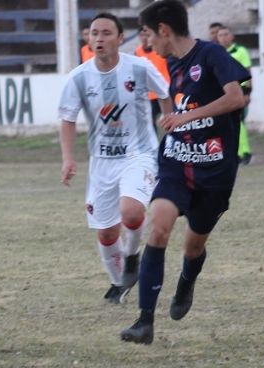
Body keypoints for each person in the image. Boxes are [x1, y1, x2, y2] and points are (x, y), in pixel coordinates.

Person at [120, 0, 250, 344]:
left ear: (164, 30)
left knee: (193, 247)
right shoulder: (172, 62)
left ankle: (187, 280)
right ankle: (144, 322)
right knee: (158, 229)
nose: (146, 42)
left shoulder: (211, 55)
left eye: (147, 33)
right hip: (177, 162)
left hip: (215, 170)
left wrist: (187, 117)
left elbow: (237, 98)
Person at [59, 12, 172, 305]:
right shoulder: (79, 77)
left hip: (139, 154)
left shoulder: (140, 67)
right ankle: (117, 282)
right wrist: (68, 158)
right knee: (107, 234)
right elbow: (68, 119)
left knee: (132, 212)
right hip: (102, 161)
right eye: (94, 33)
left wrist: (171, 123)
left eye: (107, 33)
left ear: (121, 38)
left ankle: (132, 257)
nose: (99, 38)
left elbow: (164, 94)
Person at [217, 25, 253, 164]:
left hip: (239, 93)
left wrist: (246, 93)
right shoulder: (217, 53)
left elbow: (247, 74)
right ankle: (235, 153)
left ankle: (245, 152)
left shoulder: (240, 51)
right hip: (222, 94)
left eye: (226, 34)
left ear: (232, 36)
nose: (224, 37)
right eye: (220, 35)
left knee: (239, 122)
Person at [135, 28, 171, 127]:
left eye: (147, 35)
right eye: (142, 35)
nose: (145, 38)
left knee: (170, 120)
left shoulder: (161, 50)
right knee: (150, 123)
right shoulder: (137, 52)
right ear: (139, 37)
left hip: (165, 92)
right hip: (149, 94)